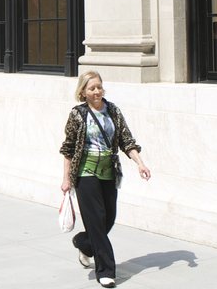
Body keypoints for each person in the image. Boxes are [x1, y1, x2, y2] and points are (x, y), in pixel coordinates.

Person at [59, 71, 151, 288]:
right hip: (85, 173)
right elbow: (68, 149)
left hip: (109, 172)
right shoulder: (77, 115)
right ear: (83, 92)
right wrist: (66, 179)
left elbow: (126, 140)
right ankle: (106, 271)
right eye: (92, 88)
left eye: (99, 87)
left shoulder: (113, 111)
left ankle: (83, 243)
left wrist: (140, 163)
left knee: (108, 218)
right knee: (97, 221)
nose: (97, 91)